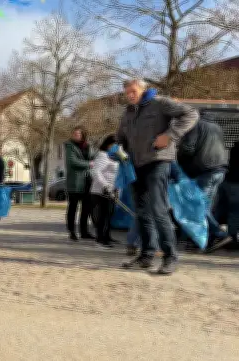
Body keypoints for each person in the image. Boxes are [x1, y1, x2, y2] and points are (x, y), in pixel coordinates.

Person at [117, 79, 198, 274]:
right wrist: (116, 148)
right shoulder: (128, 112)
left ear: (143, 89)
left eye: (133, 91)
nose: (130, 95)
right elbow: (120, 137)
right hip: (135, 166)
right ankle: (146, 256)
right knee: (142, 212)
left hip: (158, 161)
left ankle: (170, 257)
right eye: (127, 92)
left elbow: (191, 114)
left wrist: (170, 135)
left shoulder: (160, 103)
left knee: (158, 210)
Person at [177, 117, 231, 251]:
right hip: (220, 169)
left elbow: (188, 148)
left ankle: (218, 234)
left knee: (198, 206)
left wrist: (178, 158)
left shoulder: (194, 126)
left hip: (205, 170)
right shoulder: (216, 126)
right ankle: (205, 240)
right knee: (205, 206)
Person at [64, 126, 95, 241]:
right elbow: (73, 162)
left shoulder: (88, 146)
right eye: (74, 134)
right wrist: (89, 164)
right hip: (75, 182)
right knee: (73, 207)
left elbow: (94, 157)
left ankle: (84, 231)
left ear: (83, 135)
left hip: (87, 180)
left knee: (86, 207)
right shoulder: (70, 146)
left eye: (77, 134)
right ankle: (72, 231)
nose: (75, 135)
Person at [90, 135, 120, 248]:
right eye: (115, 145)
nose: (117, 147)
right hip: (101, 191)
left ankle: (106, 236)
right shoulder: (103, 155)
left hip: (112, 190)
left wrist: (117, 188)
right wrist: (105, 185)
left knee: (109, 215)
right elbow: (96, 172)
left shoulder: (115, 156)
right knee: (103, 215)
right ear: (108, 144)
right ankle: (100, 239)